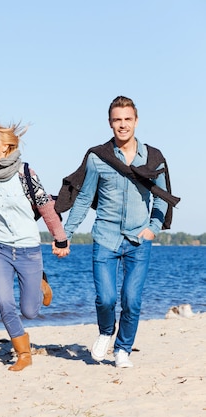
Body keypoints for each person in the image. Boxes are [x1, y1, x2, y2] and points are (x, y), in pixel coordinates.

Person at [59, 96, 179, 368]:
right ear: (110, 123)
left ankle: (122, 349)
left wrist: (153, 228)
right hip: (105, 237)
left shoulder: (154, 158)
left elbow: (162, 197)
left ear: (136, 121)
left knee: (132, 300)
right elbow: (83, 197)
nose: (122, 125)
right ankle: (105, 332)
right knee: (106, 298)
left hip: (139, 239)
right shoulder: (98, 157)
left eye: (127, 119)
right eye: (117, 120)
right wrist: (65, 234)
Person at [0, 120, 69, 372]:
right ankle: (23, 353)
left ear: (6, 147)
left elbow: (47, 209)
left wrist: (60, 237)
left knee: (30, 311)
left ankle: (41, 282)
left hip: (29, 250)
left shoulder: (25, 174)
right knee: (4, 303)